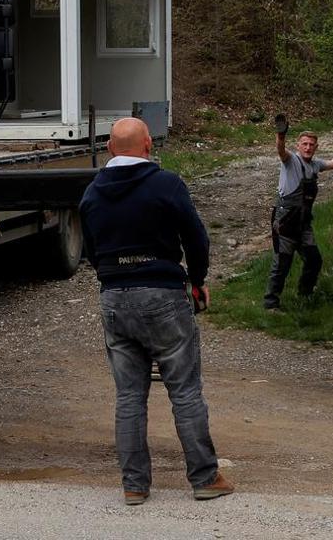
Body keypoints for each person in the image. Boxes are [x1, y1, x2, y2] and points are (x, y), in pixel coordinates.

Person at [79, 116, 234, 506]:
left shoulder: (92, 194)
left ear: (111, 149)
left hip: (114, 298)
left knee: (129, 396)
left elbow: (91, 251)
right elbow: (196, 236)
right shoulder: (166, 184)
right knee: (184, 392)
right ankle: (204, 478)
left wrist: (113, 277)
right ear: (148, 145)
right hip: (163, 295)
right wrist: (197, 279)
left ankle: (134, 485)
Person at [264, 115, 333, 310]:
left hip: (303, 223)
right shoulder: (291, 161)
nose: (308, 147)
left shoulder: (315, 165)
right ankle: (271, 303)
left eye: (311, 144)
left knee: (314, 259)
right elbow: (280, 150)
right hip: (285, 220)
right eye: (304, 144)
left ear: (316, 147)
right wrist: (281, 134)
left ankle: (305, 295)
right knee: (282, 264)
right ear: (298, 146)